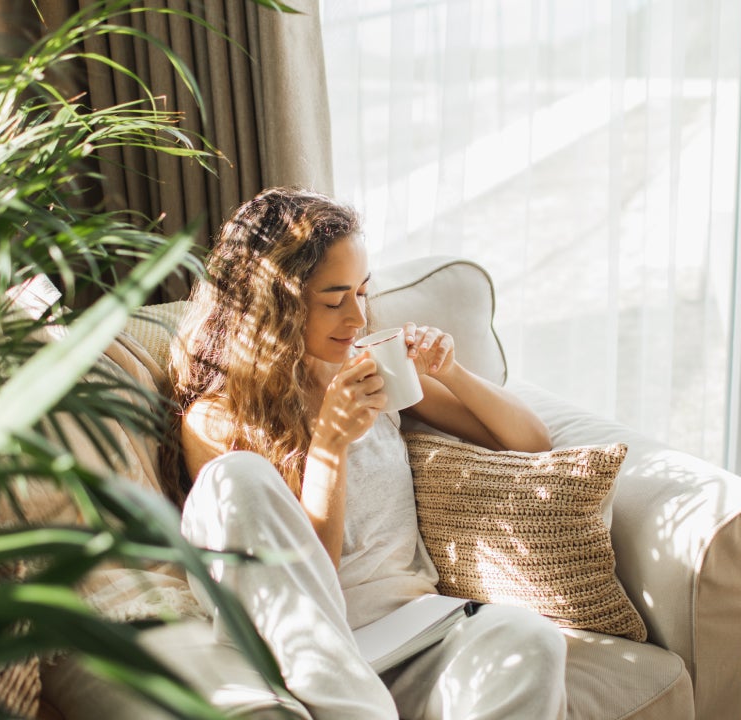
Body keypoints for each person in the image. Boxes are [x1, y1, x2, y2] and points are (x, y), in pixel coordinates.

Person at [173, 187, 568, 719]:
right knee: (237, 477)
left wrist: (446, 370)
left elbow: (530, 442)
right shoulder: (218, 420)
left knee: (530, 638)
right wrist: (329, 446)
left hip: (420, 632)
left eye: (362, 292)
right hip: (322, 649)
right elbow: (310, 582)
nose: (358, 318)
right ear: (276, 306)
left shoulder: (370, 372)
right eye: (335, 300)